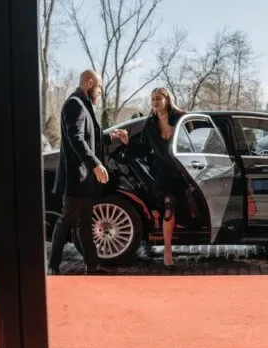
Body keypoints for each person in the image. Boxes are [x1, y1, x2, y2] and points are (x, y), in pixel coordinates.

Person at [48, 69, 126, 275]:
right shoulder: (75, 104)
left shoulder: (83, 105)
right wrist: (96, 164)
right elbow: (77, 139)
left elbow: (92, 137)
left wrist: (112, 136)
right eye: (99, 87)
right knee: (66, 221)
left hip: (85, 179)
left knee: (84, 224)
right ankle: (53, 266)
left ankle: (92, 266)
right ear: (90, 83)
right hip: (76, 177)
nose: (100, 91)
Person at [119, 87, 186, 267]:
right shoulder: (150, 124)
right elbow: (143, 150)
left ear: (167, 99)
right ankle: (167, 249)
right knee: (168, 206)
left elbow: (193, 143)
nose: (155, 102)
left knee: (180, 208)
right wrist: (127, 142)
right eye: (153, 99)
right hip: (162, 172)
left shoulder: (181, 118)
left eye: (158, 98)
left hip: (182, 171)